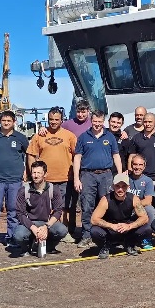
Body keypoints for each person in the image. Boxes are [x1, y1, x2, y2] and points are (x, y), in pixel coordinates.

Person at [73, 110, 123, 248]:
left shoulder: (110, 137)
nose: (97, 124)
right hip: (87, 175)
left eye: (100, 122)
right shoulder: (83, 137)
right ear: (91, 120)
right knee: (87, 206)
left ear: (103, 121)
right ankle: (86, 236)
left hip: (106, 175)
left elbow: (116, 156)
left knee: (108, 205)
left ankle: (108, 235)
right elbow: (77, 158)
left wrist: (119, 175)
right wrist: (77, 178)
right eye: (95, 121)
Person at [0, 110, 29, 251]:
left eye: (9, 121)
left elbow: (30, 155)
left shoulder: (20, 138)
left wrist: (27, 171)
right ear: (0, 121)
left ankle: (12, 237)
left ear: (14, 122)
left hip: (15, 180)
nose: (6, 123)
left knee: (13, 211)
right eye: (4, 120)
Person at [27, 108, 77, 235]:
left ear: (61, 120)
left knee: (66, 206)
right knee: (46, 208)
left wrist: (77, 175)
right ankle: (48, 231)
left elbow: (77, 155)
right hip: (46, 180)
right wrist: (33, 173)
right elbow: (31, 155)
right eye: (51, 119)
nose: (53, 122)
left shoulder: (69, 136)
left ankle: (65, 232)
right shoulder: (39, 135)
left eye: (56, 119)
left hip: (65, 178)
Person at [11, 160, 69, 256]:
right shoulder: (23, 190)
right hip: (30, 223)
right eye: (34, 172)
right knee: (18, 235)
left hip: (47, 222)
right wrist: (33, 228)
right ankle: (26, 248)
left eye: (39, 173)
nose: (36, 175)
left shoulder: (53, 189)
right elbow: (19, 213)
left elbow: (58, 211)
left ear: (45, 174)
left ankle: (49, 247)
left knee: (62, 230)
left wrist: (46, 227)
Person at [90, 173, 153, 259]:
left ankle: (130, 244)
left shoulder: (134, 198)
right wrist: (111, 226)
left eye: (123, 186)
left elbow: (144, 217)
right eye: (117, 186)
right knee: (95, 231)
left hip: (127, 229)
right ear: (113, 186)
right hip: (110, 229)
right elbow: (94, 219)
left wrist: (130, 226)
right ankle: (105, 246)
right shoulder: (105, 199)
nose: (120, 189)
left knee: (147, 229)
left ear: (128, 187)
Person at [58, 100, 93, 239]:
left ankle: (89, 230)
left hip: (89, 167)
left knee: (87, 201)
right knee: (69, 201)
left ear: (88, 112)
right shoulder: (67, 124)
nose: (80, 114)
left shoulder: (93, 123)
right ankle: (68, 228)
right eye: (78, 111)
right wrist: (43, 129)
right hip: (72, 166)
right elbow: (55, 130)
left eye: (83, 111)